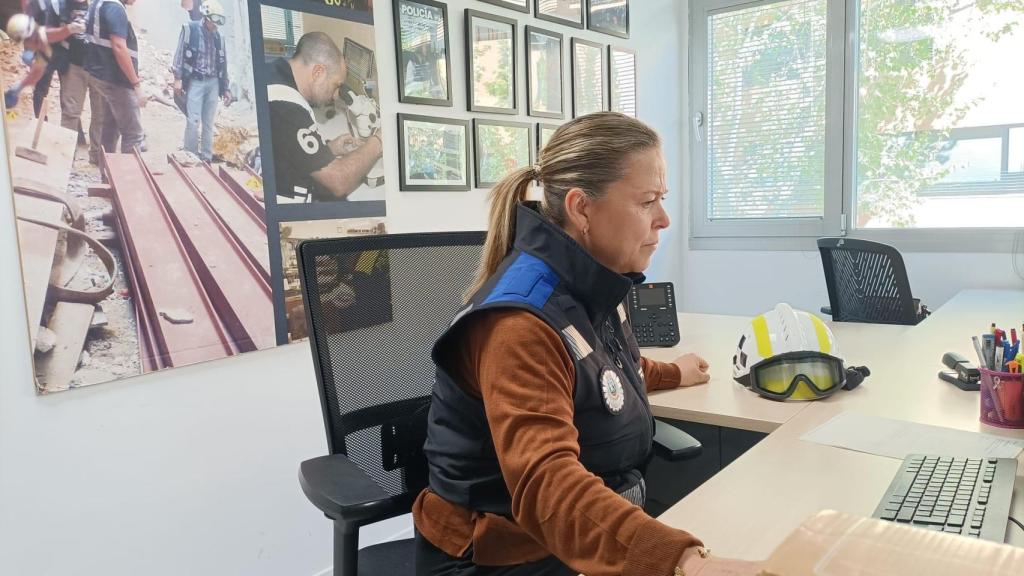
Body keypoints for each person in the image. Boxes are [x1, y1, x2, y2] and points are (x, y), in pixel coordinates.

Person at [414, 112, 765, 575]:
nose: (664, 218)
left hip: (577, 540)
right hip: (508, 558)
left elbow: (598, 372)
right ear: (582, 208)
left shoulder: (597, 281)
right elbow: (547, 487)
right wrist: (683, 561)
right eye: (648, 201)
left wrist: (670, 373)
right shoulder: (519, 327)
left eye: (663, 199)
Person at [265, 31, 382, 201]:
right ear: (318, 72)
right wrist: (379, 140)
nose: (335, 96)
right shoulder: (285, 106)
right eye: (336, 85)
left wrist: (328, 149)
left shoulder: (274, 71)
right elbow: (338, 181)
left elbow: (288, 148)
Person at [83, 0, 145, 164]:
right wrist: (136, 84)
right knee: (133, 134)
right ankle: (130, 181)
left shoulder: (99, 3)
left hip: (101, 74)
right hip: (116, 79)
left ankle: (107, 174)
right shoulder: (114, 8)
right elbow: (119, 47)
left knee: (110, 127)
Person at [172, 0, 230, 163]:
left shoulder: (219, 37)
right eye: (214, 21)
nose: (216, 26)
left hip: (213, 83)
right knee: (193, 119)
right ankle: (190, 155)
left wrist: (225, 88)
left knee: (208, 123)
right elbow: (180, 53)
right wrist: (177, 79)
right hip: (196, 81)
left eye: (219, 22)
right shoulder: (190, 29)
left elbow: (223, 63)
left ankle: (206, 157)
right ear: (206, 17)